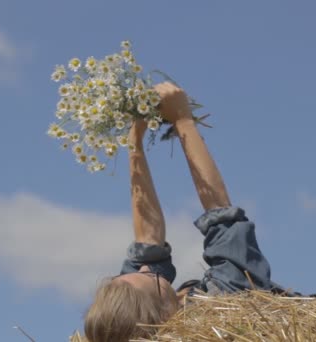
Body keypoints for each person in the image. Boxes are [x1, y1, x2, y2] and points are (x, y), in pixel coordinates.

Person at [83, 82, 281, 342]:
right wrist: (183, 121)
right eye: (149, 276)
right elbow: (220, 212)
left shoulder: (135, 318)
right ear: (165, 315)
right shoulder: (223, 309)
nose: (144, 267)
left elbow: (148, 240)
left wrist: (135, 142)